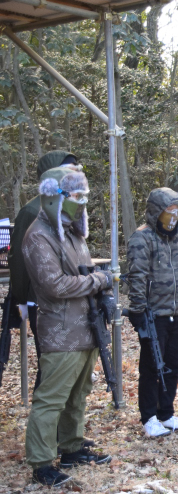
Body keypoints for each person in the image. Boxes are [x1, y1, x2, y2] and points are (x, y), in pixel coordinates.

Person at [23, 171, 114, 487]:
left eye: (84, 196)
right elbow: (55, 285)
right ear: (55, 196)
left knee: (78, 394)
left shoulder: (73, 232)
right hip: (60, 331)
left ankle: (71, 448)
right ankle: (41, 463)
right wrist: (98, 280)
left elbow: (81, 272)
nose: (82, 203)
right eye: (76, 196)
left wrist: (100, 288)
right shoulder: (38, 236)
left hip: (87, 327)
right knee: (52, 399)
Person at [8, 150, 80, 391]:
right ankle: (45, 412)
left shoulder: (72, 208)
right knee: (51, 365)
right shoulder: (31, 211)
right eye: (68, 170)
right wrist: (24, 300)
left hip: (71, 298)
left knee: (70, 365)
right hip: (42, 301)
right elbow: (19, 261)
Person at [126, 188, 178, 437]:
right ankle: (149, 417)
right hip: (153, 314)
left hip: (176, 311)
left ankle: (166, 413)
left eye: (177, 211)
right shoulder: (141, 238)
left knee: (173, 364)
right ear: (157, 211)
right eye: (169, 210)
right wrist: (137, 309)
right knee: (152, 368)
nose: (174, 216)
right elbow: (137, 276)